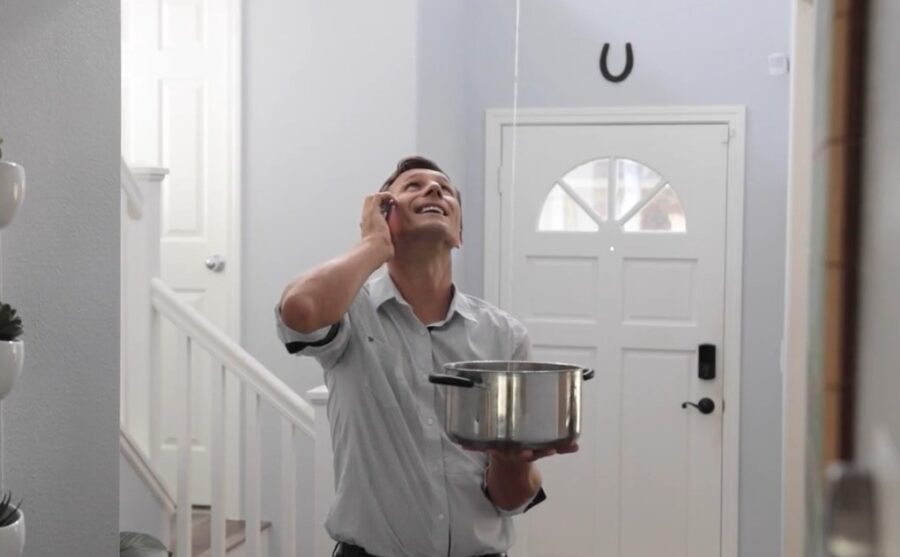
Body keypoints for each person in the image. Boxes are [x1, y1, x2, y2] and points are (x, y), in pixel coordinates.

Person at [276, 156, 577, 557]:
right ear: (384, 217)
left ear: (459, 235)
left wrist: (513, 461)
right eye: (413, 186)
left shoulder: (502, 335)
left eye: (444, 189)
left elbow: (510, 500)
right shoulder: (349, 312)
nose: (433, 190)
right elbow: (299, 309)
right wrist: (372, 245)